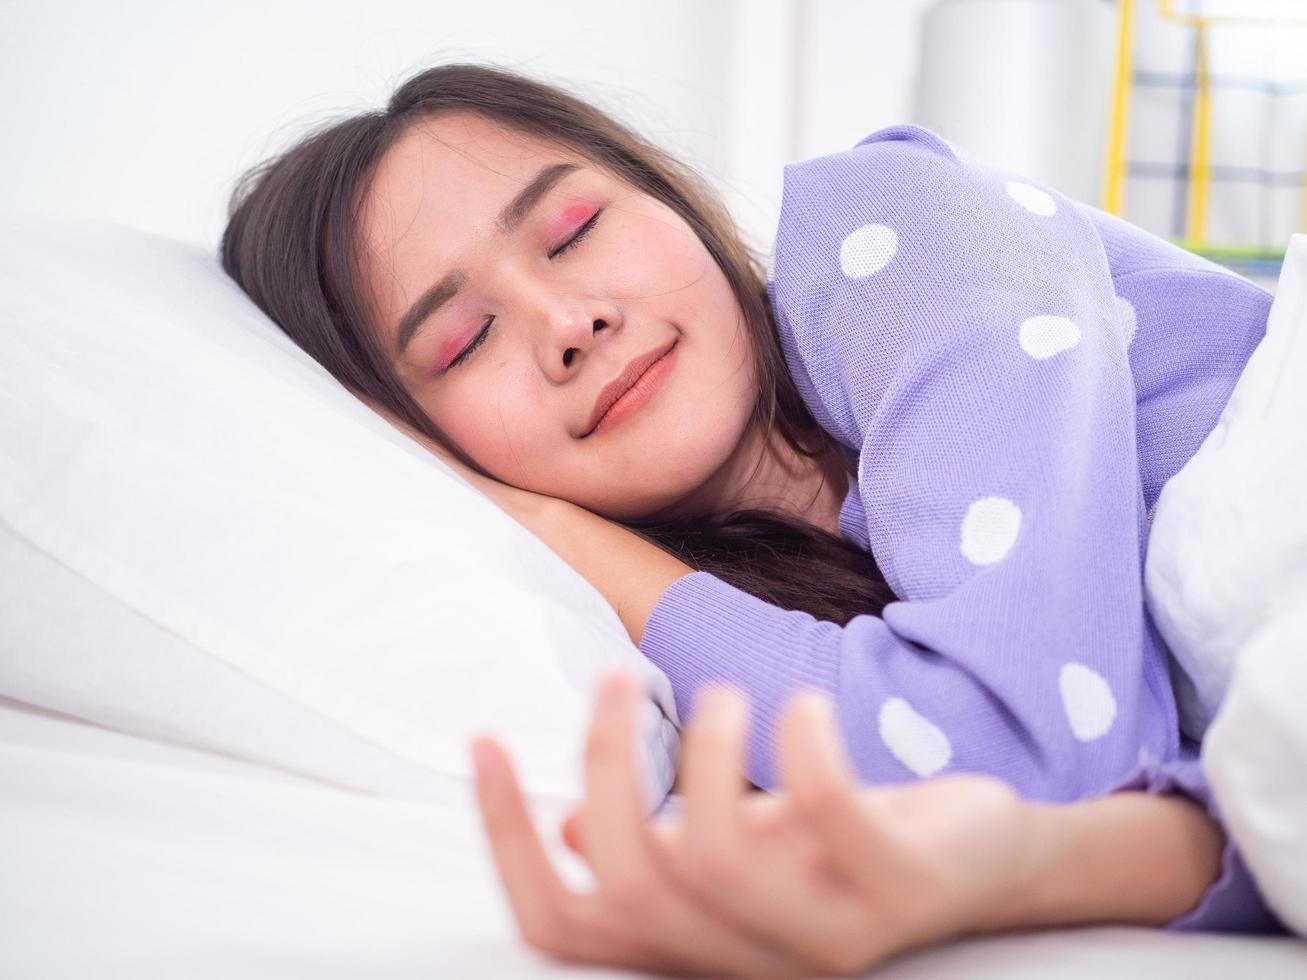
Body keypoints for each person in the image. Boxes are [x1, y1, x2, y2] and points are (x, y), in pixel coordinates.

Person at [221, 62, 1283, 974]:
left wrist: (563, 532)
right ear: (427, 447)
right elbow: (1238, 809)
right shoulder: (731, 666)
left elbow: (1044, 757)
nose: (568, 321)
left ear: (666, 198)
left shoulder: (892, 231)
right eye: (461, 342)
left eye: (575, 228)